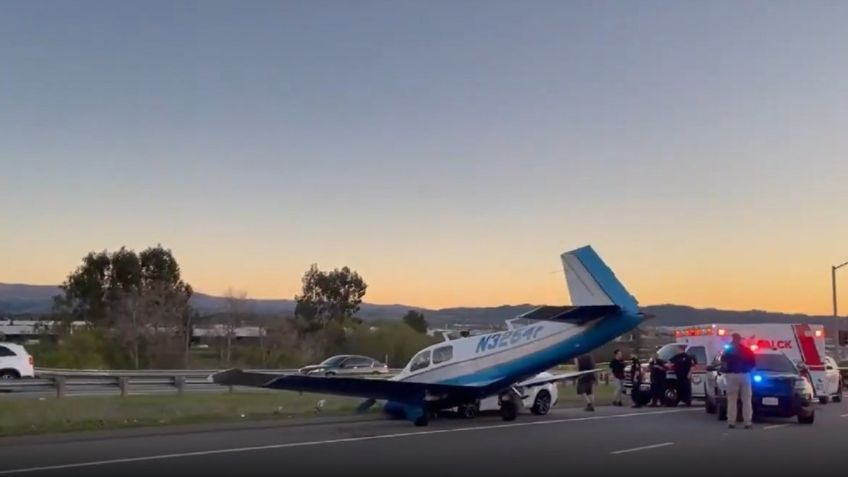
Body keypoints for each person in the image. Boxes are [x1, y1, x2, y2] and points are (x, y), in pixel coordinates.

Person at [720, 333, 756, 429]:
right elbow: (753, 363)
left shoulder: (728, 350)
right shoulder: (746, 350)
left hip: (731, 375)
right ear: (740, 340)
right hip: (745, 375)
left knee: (732, 399)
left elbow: (723, 362)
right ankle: (747, 422)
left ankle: (731, 422)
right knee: (747, 400)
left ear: (733, 339)